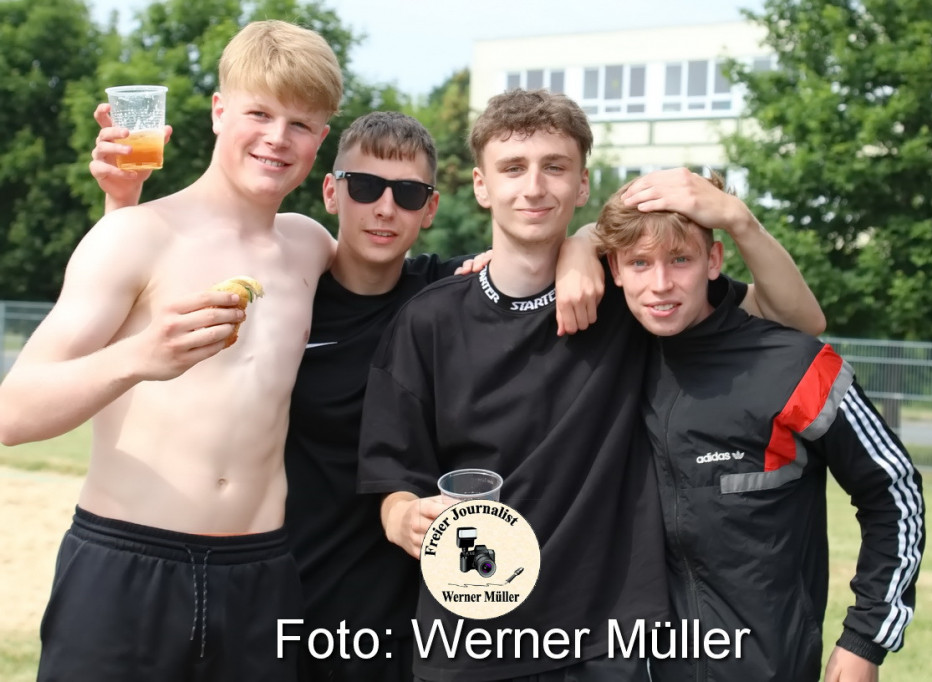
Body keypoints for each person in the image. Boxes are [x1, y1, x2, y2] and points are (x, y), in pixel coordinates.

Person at [87, 103, 601, 680]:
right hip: (280, 588)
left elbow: (531, 244)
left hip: (405, 606)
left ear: (430, 208)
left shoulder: (445, 296)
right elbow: (139, 307)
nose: (385, 208)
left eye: (408, 194)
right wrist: (121, 207)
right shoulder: (284, 292)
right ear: (332, 192)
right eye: (365, 187)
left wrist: (582, 245)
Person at [356, 88, 827, 682]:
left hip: (606, 643)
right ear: (481, 185)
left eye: (555, 167)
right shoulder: (428, 320)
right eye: (512, 168)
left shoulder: (631, 297)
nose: (533, 187)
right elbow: (392, 477)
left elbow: (797, 320)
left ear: (581, 186)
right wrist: (402, 518)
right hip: (467, 636)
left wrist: (735, 218)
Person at [0, 20, 344, 682]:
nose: (278, 137)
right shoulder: (135, 236)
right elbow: (13, 415)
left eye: (301, 124)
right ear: (219, 112)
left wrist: (578, 248)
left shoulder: (311, 248)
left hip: (262, 575)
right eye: (259, 112)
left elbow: (425, 284)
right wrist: (140, 357)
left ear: (321, 140)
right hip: (126, 568)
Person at [592, 170, 926, 682]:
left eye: (680, 260)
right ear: (615, 269)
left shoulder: (793, 365)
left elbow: (895, 494)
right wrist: (575, 246)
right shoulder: (604, 352)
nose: (660, 284)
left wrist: (865, 639)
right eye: (640, 263)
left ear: (714, 260)